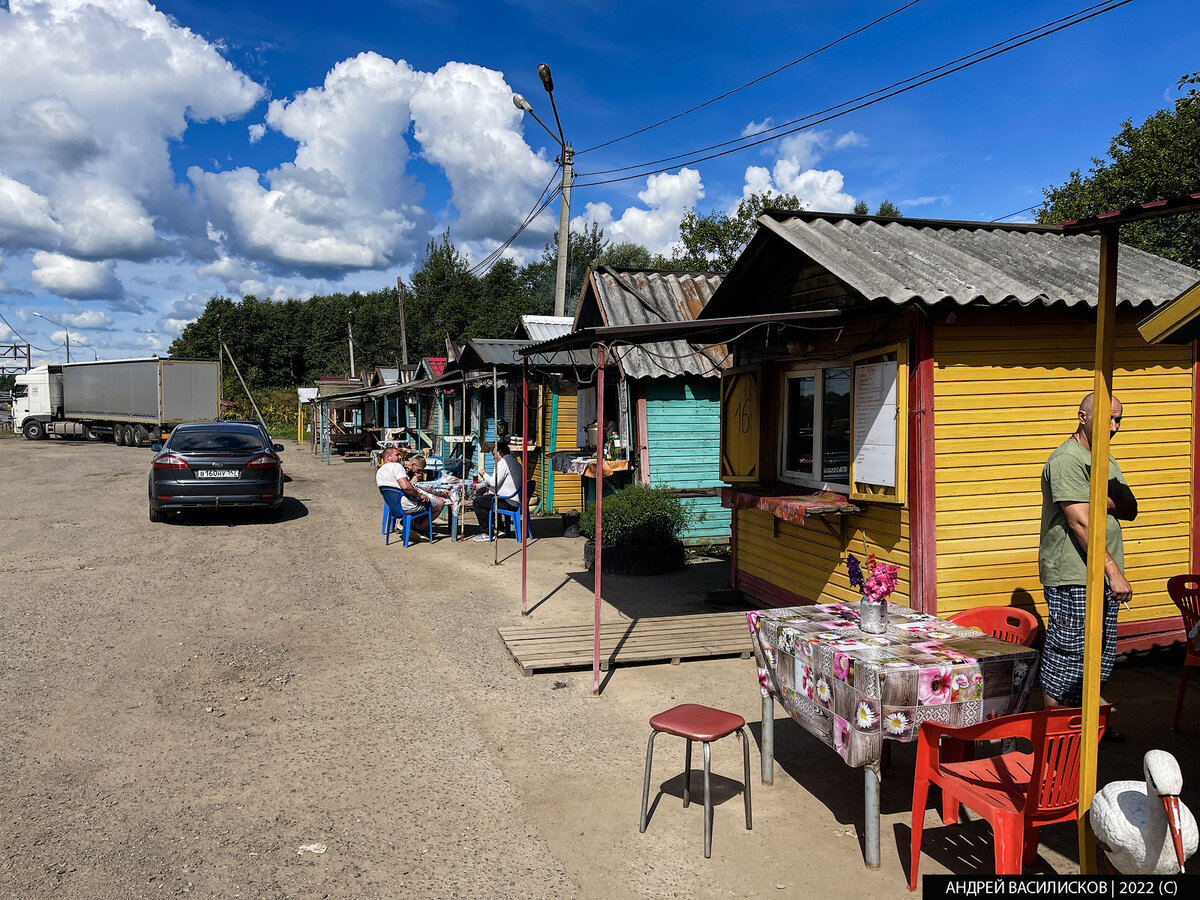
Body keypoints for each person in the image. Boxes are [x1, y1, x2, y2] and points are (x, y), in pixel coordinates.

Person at [1038, 392, 1137, 722]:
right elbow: (1080, 520)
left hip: (1099, 573)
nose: (1114, 425)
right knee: (1070, 648)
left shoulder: (1105, 459)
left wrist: (1101, 500)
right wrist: (1114, 571)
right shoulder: (1067, 460)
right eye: (1108, 417)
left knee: (1102, 647)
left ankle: (1085, 712)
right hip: (1074, 572)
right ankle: (1055, 718)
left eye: (1119, 419)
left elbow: (1131, 507)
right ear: (1083, 417)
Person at [471, 440, 524, 542]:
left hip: (509, 502)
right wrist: (490, 492)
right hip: (513, 499)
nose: (493, 456)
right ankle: (499, 528)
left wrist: (484, 474)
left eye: (494, 454)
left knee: (478, 502)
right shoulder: (514, 462)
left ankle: (486, 532)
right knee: (487, 498)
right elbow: (503, 485)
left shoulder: (503, 463)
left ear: (500, 452)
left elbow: (494, 482)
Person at [376, 447, 445, 523]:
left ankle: (409, 526)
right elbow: (406, 487)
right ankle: (418, 528)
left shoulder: (379, 471)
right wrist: (420, 495)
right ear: (387, 457)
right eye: (397, 455)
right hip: (408, 506)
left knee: (424, 501)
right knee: (440, 503)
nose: (400, 457)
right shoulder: (396, 466)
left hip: (394, 507)